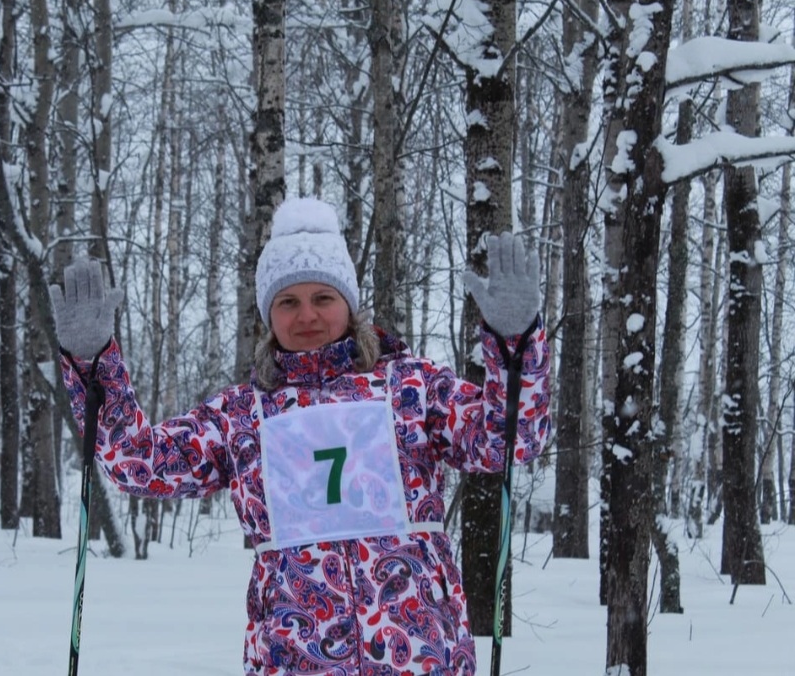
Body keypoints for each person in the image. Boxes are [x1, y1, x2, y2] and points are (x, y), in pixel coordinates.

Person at [50, 197, 550, 676]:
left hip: (421, 654)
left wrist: (514, 343)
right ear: (269, 315)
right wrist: (96, 364)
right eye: (287, 301)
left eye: (322, 298)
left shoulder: (410, 388)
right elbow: (136, 462)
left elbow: (512, 438)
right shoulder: (243, 415)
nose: (306, 315)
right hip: (292, 658)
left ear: (349, 304)